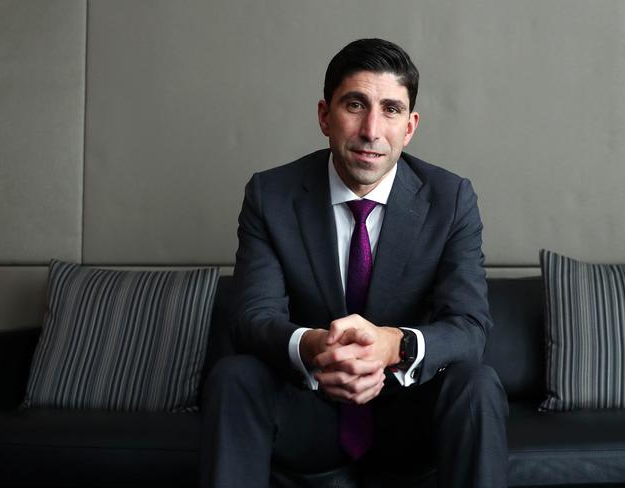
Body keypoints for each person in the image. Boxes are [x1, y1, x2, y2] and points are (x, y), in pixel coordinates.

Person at [199, 38, 509, 488]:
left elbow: (470, 325)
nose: (371, 130)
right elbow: (251, 317)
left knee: (477, 383)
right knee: (233, 376)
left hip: (410, 416)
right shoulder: (272, 195)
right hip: (308, 412)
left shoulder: (451, 198)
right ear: (325, 115)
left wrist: (394, 346)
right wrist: (316, 347)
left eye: (391, 110)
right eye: (355, 105)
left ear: (410, 126)